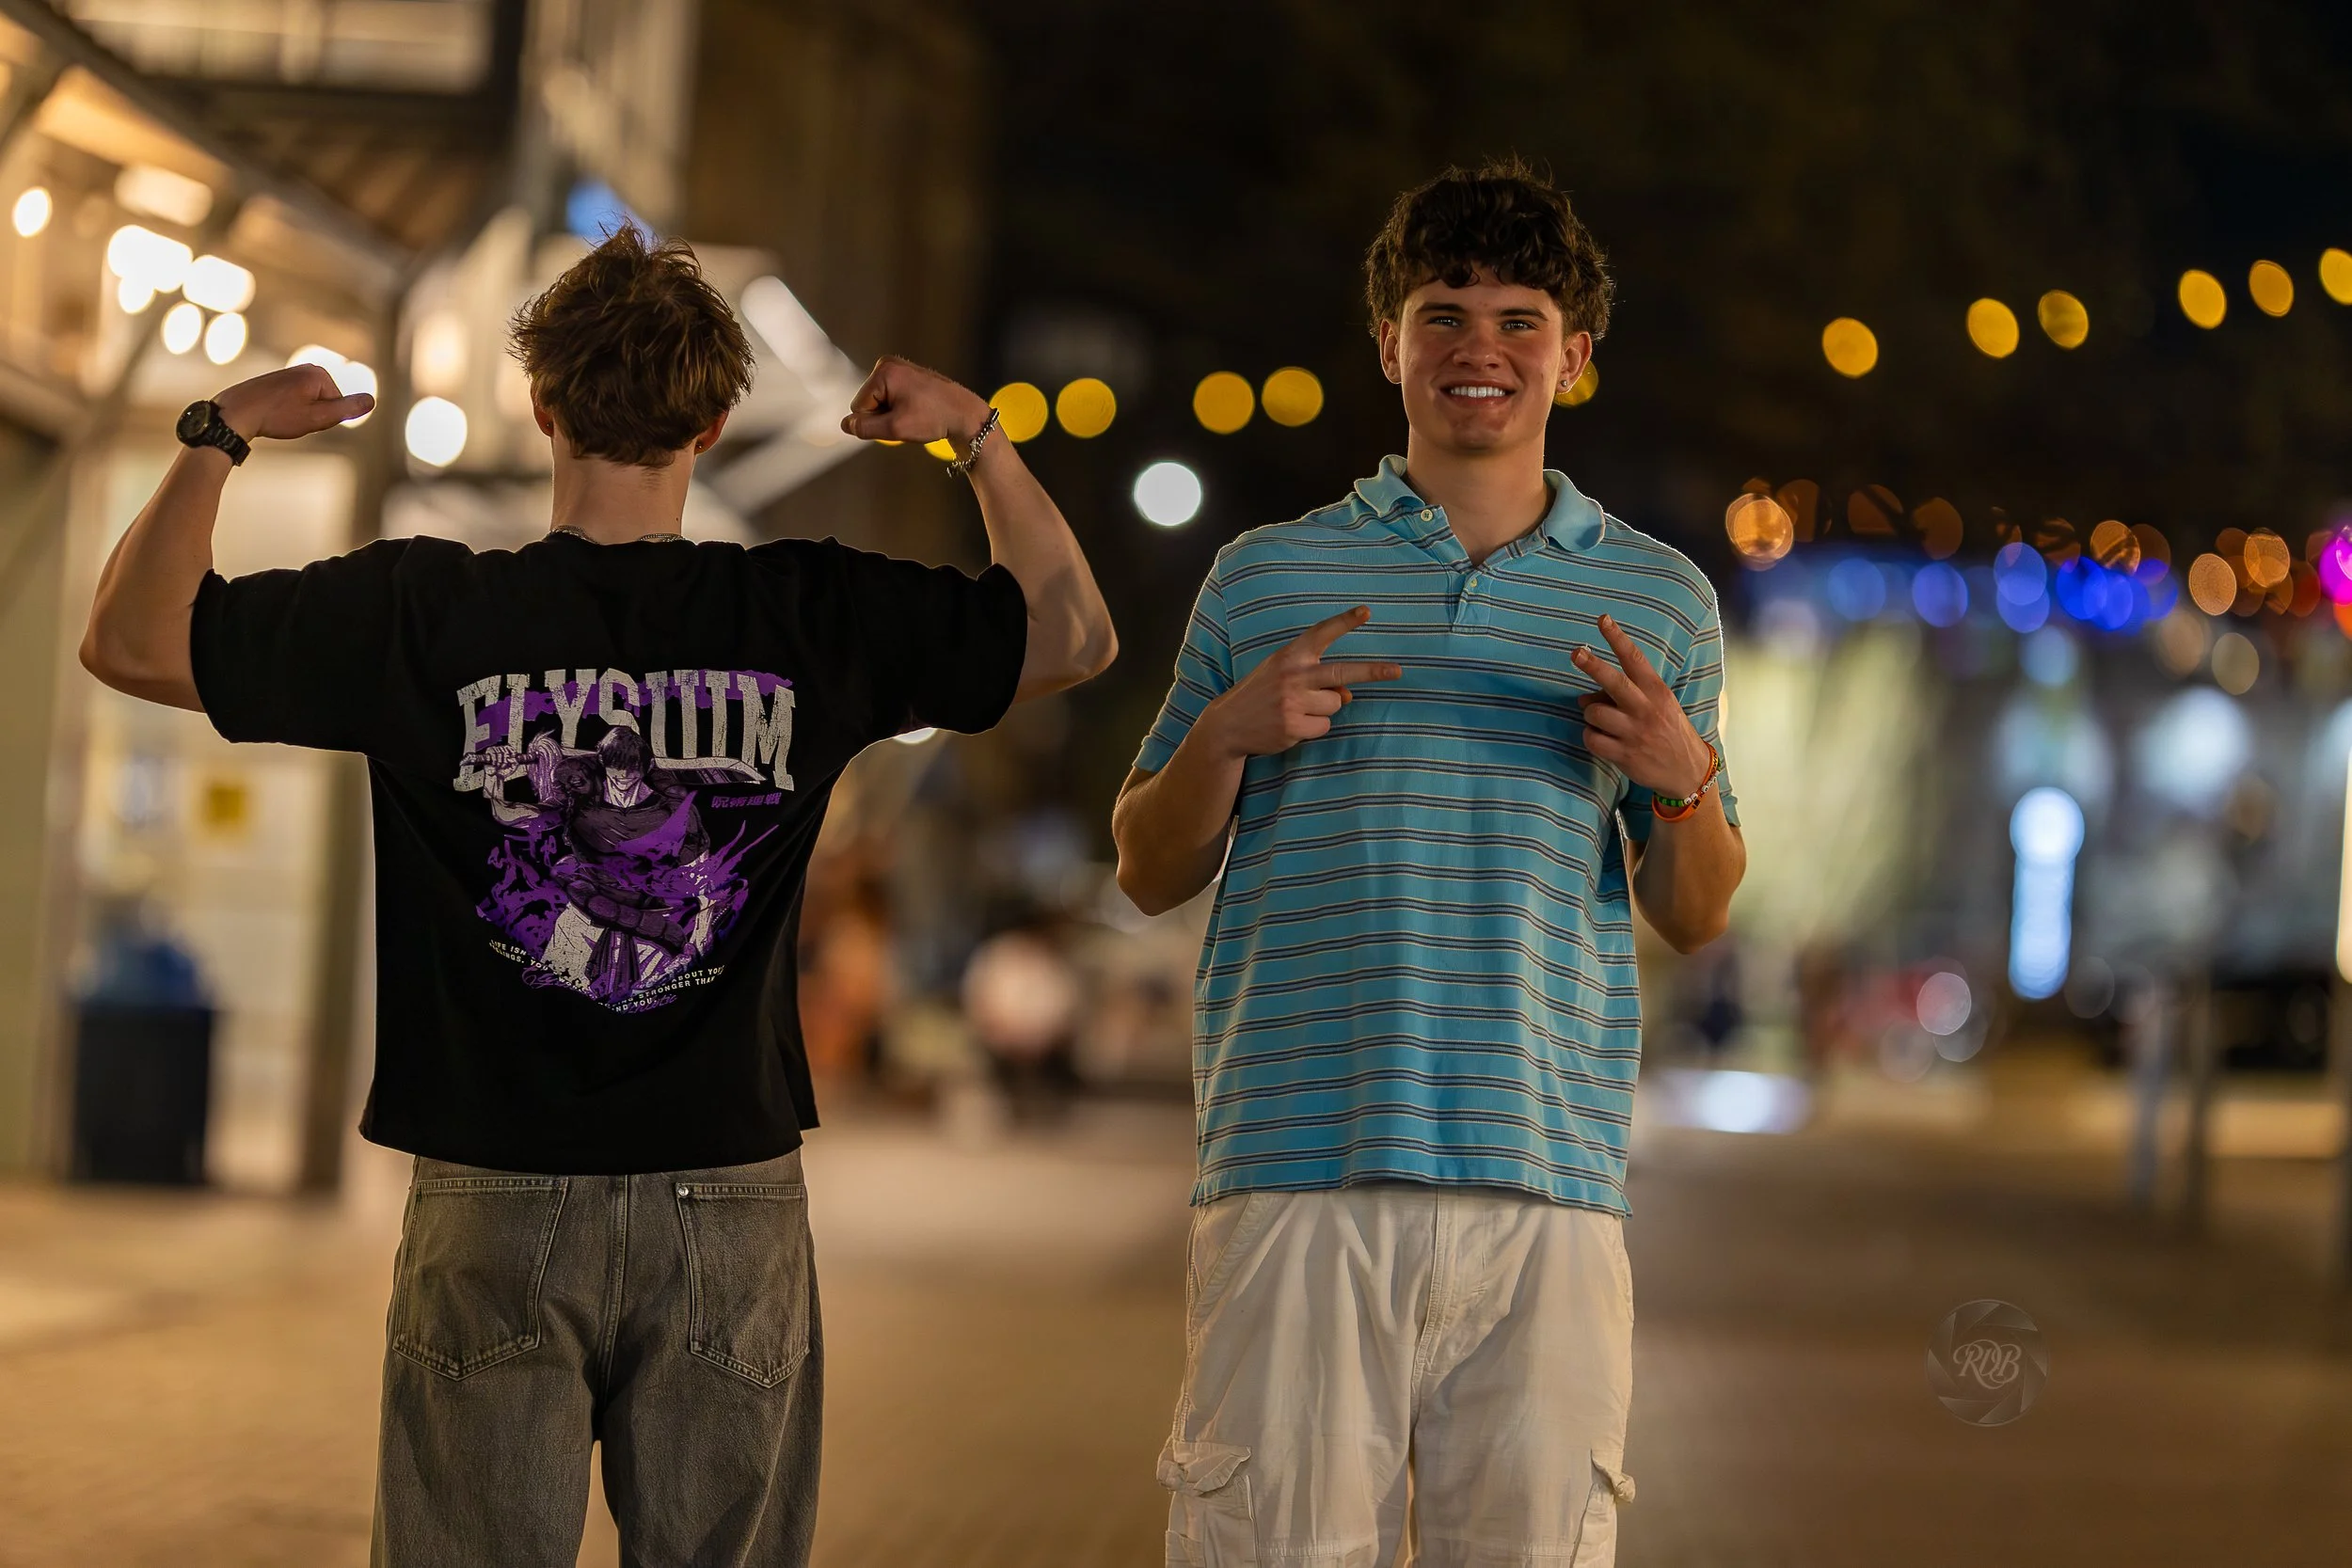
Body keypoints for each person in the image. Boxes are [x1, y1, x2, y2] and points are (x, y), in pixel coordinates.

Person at [80, 224, 1116, 1566]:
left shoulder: (424, 612)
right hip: (726, 1194)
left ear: (541, 404)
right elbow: (1073, 632)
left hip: (495, 1186)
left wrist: (220, 431)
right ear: (720, 420)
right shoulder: (807, 612)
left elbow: (129, 637)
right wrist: (976, 436)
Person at [1112, 160, 1745, 1566]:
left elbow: (1696, 915)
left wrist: (1680, 782)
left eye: (1522, 319)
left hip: (1549, 1176)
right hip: (1296, 1159)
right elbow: (1148, 866)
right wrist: (1222, 736)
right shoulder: (1264, 578)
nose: (1480, 347)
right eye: (1444, 311)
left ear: (1574, 358)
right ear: (1389, 344)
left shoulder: (1660, 599)